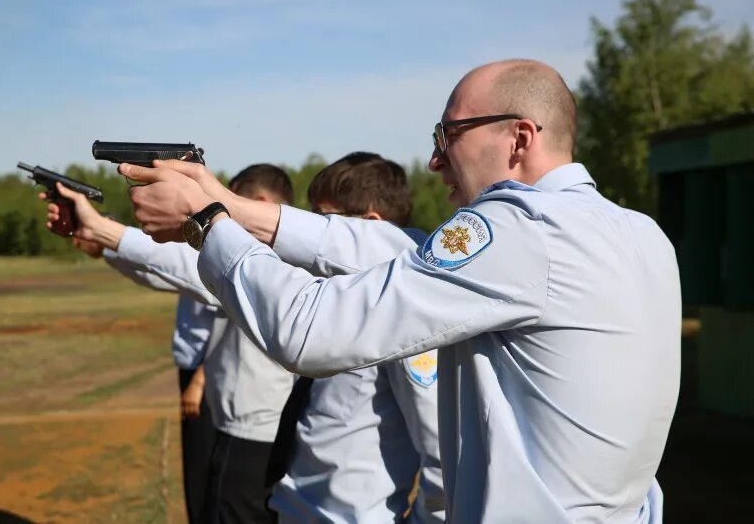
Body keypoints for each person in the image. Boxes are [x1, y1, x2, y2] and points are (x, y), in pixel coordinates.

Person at [120, 58, 680, 523]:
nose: (437, 159)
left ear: (520, 138)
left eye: (449, 134)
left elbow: (312, 331)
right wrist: (235, 208)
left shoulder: (521, 232)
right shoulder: (640, 234)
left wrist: (208, 223)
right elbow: (386, 249)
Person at [45, 164, 296, 524]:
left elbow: (185, 267)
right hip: (245, 422)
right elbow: (175, 271)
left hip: (252, 430)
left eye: (230, 200)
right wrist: (104, 240)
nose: (224, 210)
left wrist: (102, 229)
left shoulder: (269, 259)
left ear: (258, 201)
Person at [266, 152, 444, 523]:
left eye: (324, 221)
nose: (312, 238)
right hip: (293, 507)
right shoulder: (339, 301)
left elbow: (441, 449)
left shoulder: (402, 312)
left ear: (371, 225)